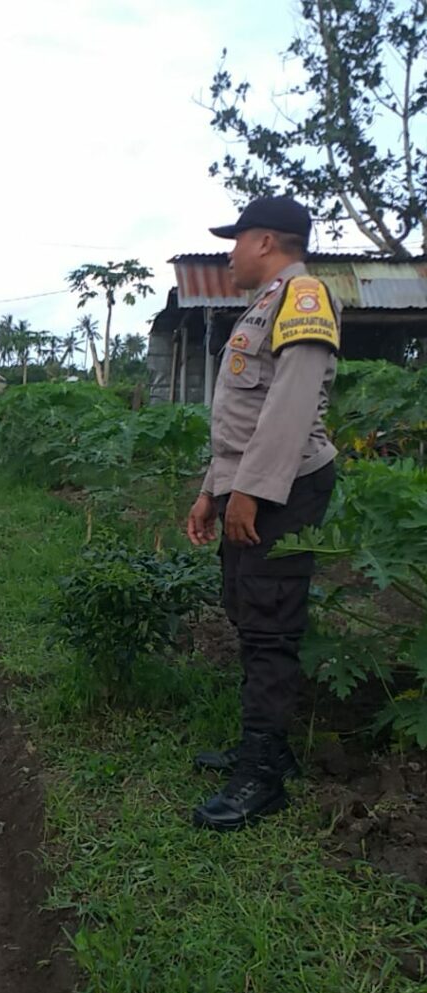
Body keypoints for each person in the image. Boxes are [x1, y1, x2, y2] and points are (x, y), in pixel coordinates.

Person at [186, 196, 341, 832]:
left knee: (271, 622)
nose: (229, 252)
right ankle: (266, 745)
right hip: (249, 483)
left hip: (284, 486)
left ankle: (262, 777)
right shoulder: (265, 305)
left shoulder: (304, 299)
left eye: (237, 239)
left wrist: (251, 491)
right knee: (250, 610)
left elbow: (291, 405)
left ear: (267, 242)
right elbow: (239, 417)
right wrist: (211, 489)